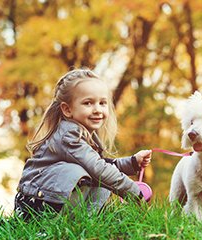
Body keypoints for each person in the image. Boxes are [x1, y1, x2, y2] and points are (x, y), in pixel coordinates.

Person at [14, 69, 152, 220]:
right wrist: (134, 192)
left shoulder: (85, 135)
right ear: (67, 109)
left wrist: (132, 162)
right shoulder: (69, 136)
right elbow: (99, 169)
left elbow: (101, 165)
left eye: (102, 103)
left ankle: (85, 222)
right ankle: (49, 225)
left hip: (48, 198)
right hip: (33, 205)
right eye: (88, 103)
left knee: (100, 177)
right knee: (86, 173)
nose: (97, 109)